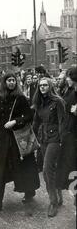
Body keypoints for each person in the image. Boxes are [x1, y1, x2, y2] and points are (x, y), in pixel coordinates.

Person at [0, 72, 40, 213]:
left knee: (24, 165)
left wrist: (15, 121)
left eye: (13, 80)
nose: (11, 83)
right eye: (8, 80)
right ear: (4, 82)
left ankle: (29, 192)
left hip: (18, 138)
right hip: (3, 138)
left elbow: (29, 115)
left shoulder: (20, 98)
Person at [32, 77, 66, 217]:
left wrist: (61, 141)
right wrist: (33, 139)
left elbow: (62, 122)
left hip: (55, 139)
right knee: (51, 169)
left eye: (45, 85)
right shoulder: (39, 103)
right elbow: (35, 122)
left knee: (46, 170)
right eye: (40, 86)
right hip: (43, 139)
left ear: (50, 86)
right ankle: (58, 194)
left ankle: (53, 202)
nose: (42, 87)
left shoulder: (57, 101)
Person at [56, 67, 77, 202]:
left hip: (74, 134)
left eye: (69, 76)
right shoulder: (69, 91)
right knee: (66, 166)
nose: (67, 79)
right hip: (67, 133)